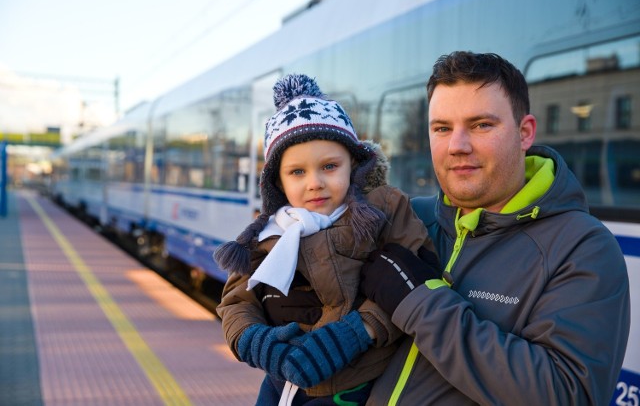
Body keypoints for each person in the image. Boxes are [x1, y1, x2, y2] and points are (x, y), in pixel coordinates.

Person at [359, 51, 631, 405]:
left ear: (524, 132)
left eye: (481, 125)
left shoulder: (583, 247)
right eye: (442, 128)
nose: (457, 146)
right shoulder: (408, 218)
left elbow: (567, 393)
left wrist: (419, 303)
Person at [214, 74, 438, 405]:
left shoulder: (383, 210)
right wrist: (250, 338)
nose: (315, 183)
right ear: (277, 182)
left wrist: (358, 332)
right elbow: (237, 300)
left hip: (359, 386)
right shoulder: (268, 231)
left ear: (355, 166)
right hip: (281, 385)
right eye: (297, 172)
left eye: (330, 166)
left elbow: (416, 280)